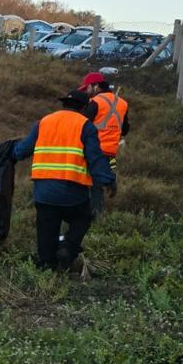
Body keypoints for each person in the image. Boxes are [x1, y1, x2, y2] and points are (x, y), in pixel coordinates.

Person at [11, 90, 116, 271]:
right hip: (73, 192)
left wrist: (7, 153)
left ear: (64, 104)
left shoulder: (44, 122)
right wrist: (108, 180)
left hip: (44, 192)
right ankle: (68, 248)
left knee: (46, 227)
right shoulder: (85, 125)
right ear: (84, 108)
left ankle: (47, 264)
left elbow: (21, 151)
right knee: (82, 218)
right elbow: (95, 158)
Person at [79, 71, 131, 162]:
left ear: (96, 86)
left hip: (93, 152)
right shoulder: (123, 103)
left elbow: (81, 126)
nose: (86, 91)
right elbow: (124, 131)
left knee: (89, 176)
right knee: (108, 175)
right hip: (111, 154)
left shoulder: (94, 102)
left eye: (87, 88)